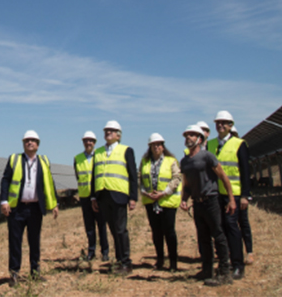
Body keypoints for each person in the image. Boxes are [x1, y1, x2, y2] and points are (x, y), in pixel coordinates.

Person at [0, 130, 59, 287]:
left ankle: (35, 272)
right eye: (27, 140)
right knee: (15, 242)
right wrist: (4, 201)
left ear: (38, 145)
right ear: (23, 143)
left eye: (33, 140)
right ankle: (14, 274)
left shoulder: (44, 161)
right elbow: (5, 180)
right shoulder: (14, 159)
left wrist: (55, 203)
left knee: (34, 241)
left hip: (35, 209)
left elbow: (50, 183)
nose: (30, 142)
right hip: (16, 209)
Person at [180, 125, 236, 287]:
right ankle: (207, 270)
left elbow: (223, 177)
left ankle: (225, 272)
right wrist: (184, 199)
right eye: (187, 135)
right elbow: (188, 184)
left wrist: (231, 199)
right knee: (203, 237)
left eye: (192, 135)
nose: (188, 137)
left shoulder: (208, 157)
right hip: (197, 203)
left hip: (211, 200)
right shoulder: (185, 161)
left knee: (218, 235)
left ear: (199, 139)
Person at [90, 120, 138, 275]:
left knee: (120, 229)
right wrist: (93, 197)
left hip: (119, 195)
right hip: (103, 196)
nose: (108, 133)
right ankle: (118, 261)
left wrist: (133, 197)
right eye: (106, 130)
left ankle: (126, 262)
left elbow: (132, 175)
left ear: (118, 135)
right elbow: (94, 175)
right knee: (112, 229)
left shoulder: (126, 150)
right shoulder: (97, 152)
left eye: (111, 131)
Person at [213, 111, 251, 280]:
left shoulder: (239, 144)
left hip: (233, 194)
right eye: (218, 122)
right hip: (217, 194)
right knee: (220, 228)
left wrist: (245, 195)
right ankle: (225, 263)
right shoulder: (211, 144)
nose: (220, 125)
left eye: (224, 122)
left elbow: (245, 171)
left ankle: (238, 265)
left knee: (231, 225)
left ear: (230, 125)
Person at [139, 133, 182, 271]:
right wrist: (146, 193)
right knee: (156, 232)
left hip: (167, 201)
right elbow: (140, 178)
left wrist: (164, 193)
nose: (156, 147)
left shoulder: (171, 160)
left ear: (163, 146)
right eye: (153, 145)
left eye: (159, 144)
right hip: (151, 202)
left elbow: (176, 178)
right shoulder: (144, 162)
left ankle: (173, 262)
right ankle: (160, 260)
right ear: (150, 147)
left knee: (169, 232)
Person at [73, 131, 109, 262]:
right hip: (84, 197)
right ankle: (91, 251)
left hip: (99, 196)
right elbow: (78, 176)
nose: (88, 143)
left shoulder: (100, 155)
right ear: (83, 142)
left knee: (101, 225)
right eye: (86, 140)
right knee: (89, 226)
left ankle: (105, 252)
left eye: (91, 141)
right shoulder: (77, 158)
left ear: (95, 142)